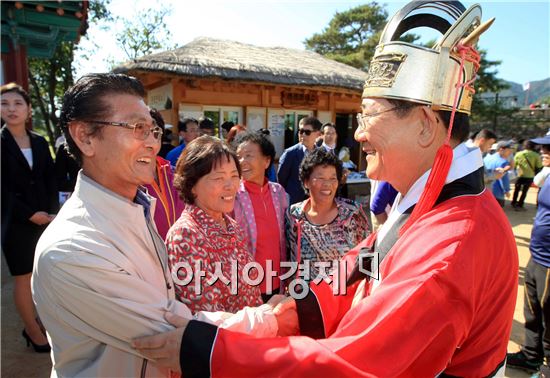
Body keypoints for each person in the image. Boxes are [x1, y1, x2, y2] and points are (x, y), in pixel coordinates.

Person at [132, 2, 518, 376]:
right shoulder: (432, 207)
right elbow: (361, 267)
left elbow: (358, 362)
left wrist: (210, 351)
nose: (360, 132)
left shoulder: (453, 242)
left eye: (370, 114)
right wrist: (289, 313)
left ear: (424, 124)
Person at [32, 74, 280, 377]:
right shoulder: (74, 248)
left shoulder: (139, 210)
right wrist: (271, 319)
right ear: (85, 136)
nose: (152, 142)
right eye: (137, 128)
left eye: (153, 130)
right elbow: (169, 332)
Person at [166, 135, 263, 313]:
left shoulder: (231, 225)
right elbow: (207, 316)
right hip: (226, 339)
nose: (230, 186)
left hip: (253, 334)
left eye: (235, 176)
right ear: (192, 184)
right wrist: (265, 317)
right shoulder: (186, 235)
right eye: (219, 178)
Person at [1, 83, 58, 353]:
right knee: (23, 277)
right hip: (15, 223)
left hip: (45, 220)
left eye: (18, 103)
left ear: (28, 109)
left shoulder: (39, 141)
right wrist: (29, 215)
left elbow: (49, 179)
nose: (11, 109)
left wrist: (50, 211)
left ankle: (45, 321)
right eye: (5, 104)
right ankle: (32, 330)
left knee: (45, 274)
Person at [286, 148, 370, 282]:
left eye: (332, 178)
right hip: (305, 296)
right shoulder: (294, 215)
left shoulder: (351, 213)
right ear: (306, 182)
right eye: (320, 178)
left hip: (343, 294)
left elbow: (367, 253)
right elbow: (289, 258)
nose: (327, 184)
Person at [507, 134, 550, 376]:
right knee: (532, 310)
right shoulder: (547, 175)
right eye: (542, 147)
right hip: (538, 256)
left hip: (548, 261)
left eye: (548, 148)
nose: (543, 150)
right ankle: (531, 356)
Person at [232, 132, 289, 302]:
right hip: (245, 284)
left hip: (278, 280)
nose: (242, 162)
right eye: (239, 157)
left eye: (248, 156)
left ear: (266, 161)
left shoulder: (278, 192)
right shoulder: (233, 195)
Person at [143, 109, 185, 239]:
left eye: (155, 132)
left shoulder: (173, 174)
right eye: (142, 132)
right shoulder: (126, 179)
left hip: (182, 252)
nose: (150, 140)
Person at [277, 116, 322, 204]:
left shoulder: (320, 154)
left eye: (307, 132)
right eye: (301, 131)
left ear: (317, 134)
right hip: (293, 201)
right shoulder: (290, 153)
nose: (303, 135)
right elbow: (281, 179)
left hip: (314, 201)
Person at [512, 140, 542, 211]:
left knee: (516, 189)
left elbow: (514, 165)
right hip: (529, 176)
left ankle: (513, 202)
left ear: (524, 146)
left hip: (519, 175)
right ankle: (520, 204)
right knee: (525, 191)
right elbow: (539, 166)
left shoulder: (518, 154)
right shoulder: (536, 155)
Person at [484, 140, 513, 207]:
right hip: (497, 192)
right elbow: (504, 179)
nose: (510, 153)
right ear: (501, 149)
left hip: (485, 190)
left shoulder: (487, 158)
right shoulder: (503, 162)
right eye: (508, 150)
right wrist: (507, 190)